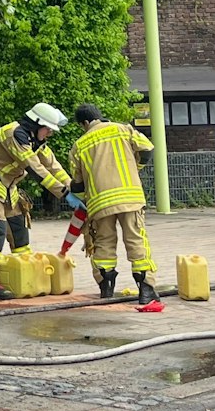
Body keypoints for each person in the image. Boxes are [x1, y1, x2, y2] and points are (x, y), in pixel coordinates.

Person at [0, 103, 77, 300]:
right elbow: (36, 169)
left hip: (8, 188)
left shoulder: (34, 140)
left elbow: (53, 166)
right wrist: (64, 194)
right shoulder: (16, 135)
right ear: (37, 125)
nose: (50, 134)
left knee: (19, 230)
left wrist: (73, 188)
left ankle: (25, 276)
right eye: (48, 130)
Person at [68, 103, 158, 307]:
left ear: (84, 123)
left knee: (104, 244)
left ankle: (106, 289)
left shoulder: (79, 145)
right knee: (136, 241)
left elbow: (78, 182)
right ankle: (146, 290)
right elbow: (147, 149)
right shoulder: (123, 129)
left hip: (100, 203)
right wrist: (136, 167)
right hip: (130, 197)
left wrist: (83, 199)